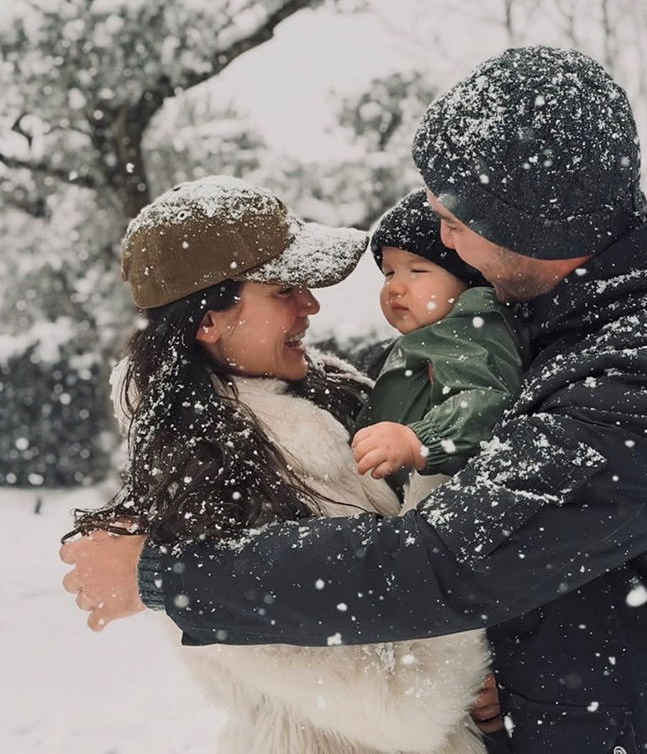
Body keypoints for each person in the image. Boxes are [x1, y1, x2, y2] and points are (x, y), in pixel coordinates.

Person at [61, 46, 647, 753]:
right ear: (206, 321)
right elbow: (381, 681)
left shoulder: (632, 375)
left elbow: (443, 561)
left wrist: (159, 575)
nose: (442, 242)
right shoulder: (550, 328)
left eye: (455, 222)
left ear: (535, 222)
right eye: (284, 288)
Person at [63, 175, 491, 754]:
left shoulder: (325, 398)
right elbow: (403, 702)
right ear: (207, 321)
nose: (311, 304)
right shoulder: (206, 480)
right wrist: (440, 460)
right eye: (284, 288)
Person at [352, 188, 526, 499]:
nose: (395, 288)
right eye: (388, 273)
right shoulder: (432, 335)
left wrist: (419, 441)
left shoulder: (472, 325)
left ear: (467, 278)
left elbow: (485, 399)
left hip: (436, 494)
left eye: (417, 271)